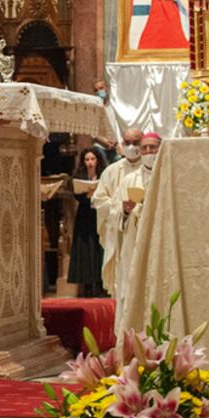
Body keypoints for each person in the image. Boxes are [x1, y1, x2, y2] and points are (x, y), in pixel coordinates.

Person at [114, 132, 162, 318]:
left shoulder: (168, 178)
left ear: (161, 149)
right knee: (134, 288)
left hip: (160, 242)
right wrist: (125, 211)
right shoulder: (129, 180)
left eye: (153, 148)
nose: (148, 151)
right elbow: (116, 215)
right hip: (134, 244)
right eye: (145, 148)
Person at [92, 127, 143, 297]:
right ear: (122, 143)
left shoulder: (151, 170)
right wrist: (120, 208)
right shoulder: (111, 171)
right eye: (127, 143)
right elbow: (99, 200)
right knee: (122, 283)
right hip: (119, 234)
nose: (131, 146)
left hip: (144, 231)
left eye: (135, 142)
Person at [66, 147, 108, 297]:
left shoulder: (104, 174)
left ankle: (101, 285)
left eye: (92, 159)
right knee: (85, 247)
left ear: (98, 160)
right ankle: (87, 285)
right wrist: (87, 194)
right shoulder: (80, 175)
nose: (90, 162)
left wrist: (95, 193)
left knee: (99, 247)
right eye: (87, 159)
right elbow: (77, 194)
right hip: (84, 214)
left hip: (99, 213)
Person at [90, 78, 120, 165]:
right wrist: (106, 142)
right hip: (100, 146)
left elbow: (116, 125)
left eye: (101, 88)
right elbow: (92, 131)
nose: (99, 91)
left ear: (106, 88)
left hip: (114, 145)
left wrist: (115, 141)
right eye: (96, 90)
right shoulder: (93, 109)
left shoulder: (113, 106)